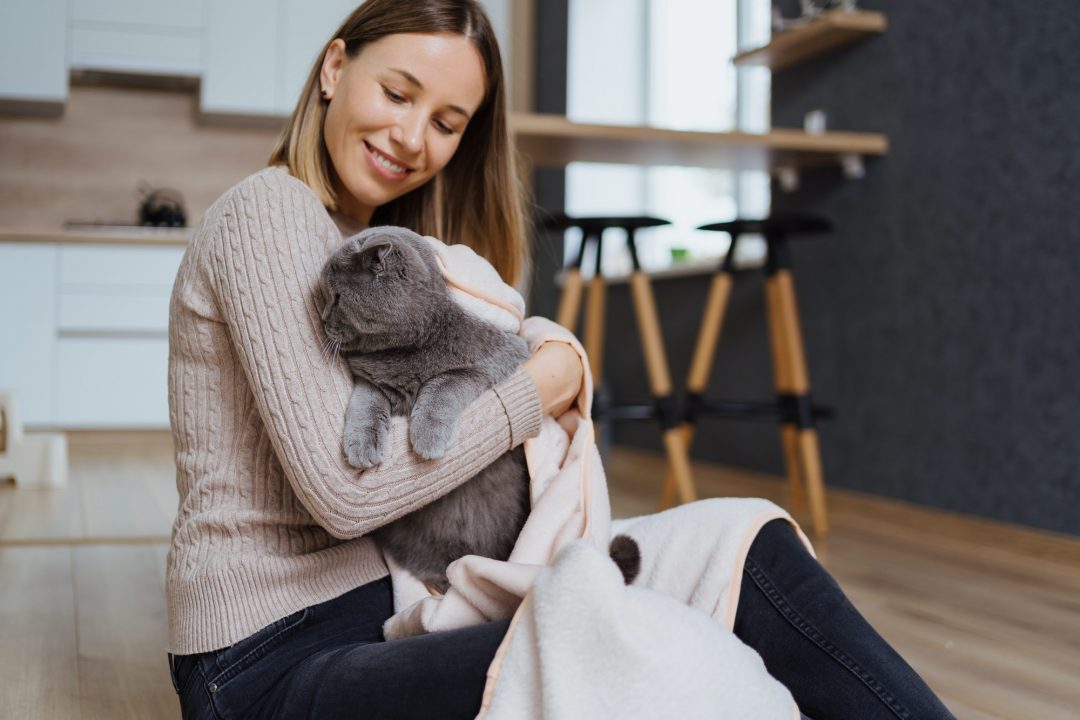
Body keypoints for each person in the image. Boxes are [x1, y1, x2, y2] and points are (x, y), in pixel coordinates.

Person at [164, 1, 955, 718]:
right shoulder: (270, 211)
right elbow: (343, 496)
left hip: (401, 608)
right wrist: (535, 389)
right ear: (335, 69)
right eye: (398, 94)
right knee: (621, 639)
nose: (412, 138)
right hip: (266, 664)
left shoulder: (393, 252)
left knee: (741, 541)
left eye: (446, 122)